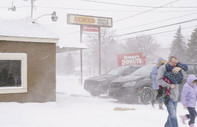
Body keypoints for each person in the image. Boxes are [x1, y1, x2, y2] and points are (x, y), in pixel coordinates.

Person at [157, 56, 187, 127]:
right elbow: (158, 80)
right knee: (173, 115)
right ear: (169, 62)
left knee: (171, 115)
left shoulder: (177, 67)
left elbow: (184, 77)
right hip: (166, 95)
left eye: (176, 63)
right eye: (173, 63)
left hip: (175, 95)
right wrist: (169, 85)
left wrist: (180, 68)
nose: (175, 64)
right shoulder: (163, 68)